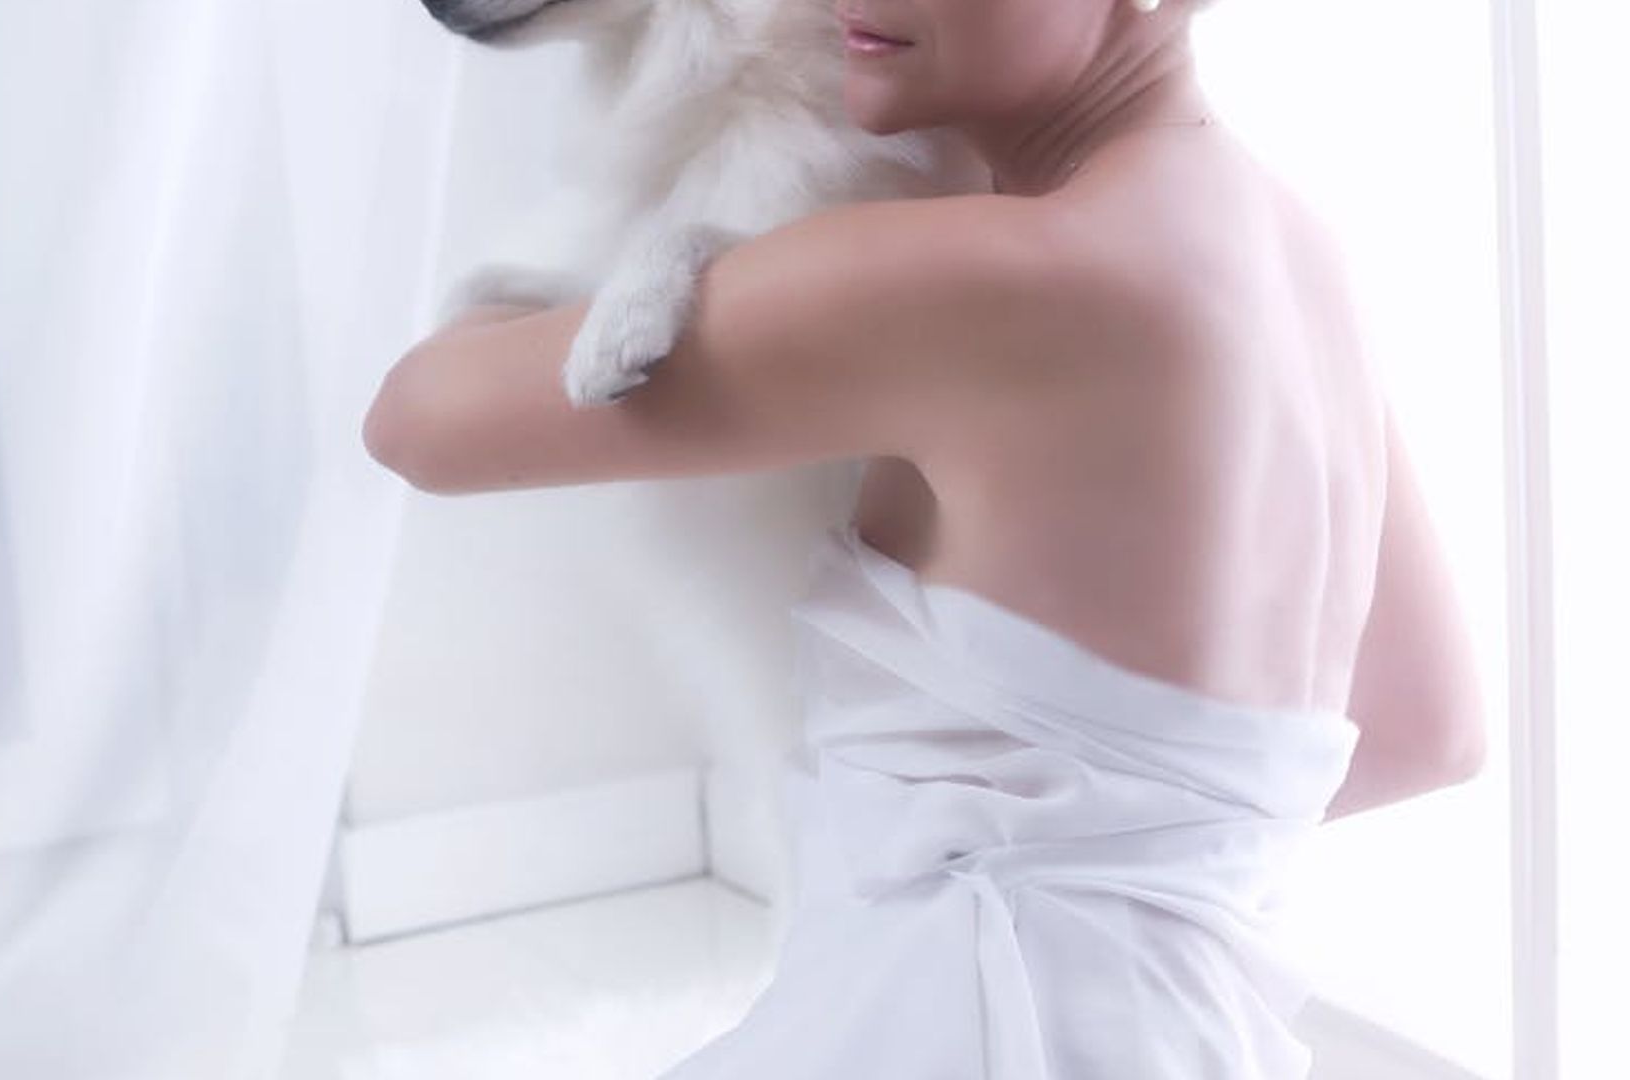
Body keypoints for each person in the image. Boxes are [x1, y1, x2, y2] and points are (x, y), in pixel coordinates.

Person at [363, 0, 1488, 1073]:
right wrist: (1112, 865)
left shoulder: (970, 277)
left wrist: (957, 873)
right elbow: (1429, 731)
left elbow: (417, 420)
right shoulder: (1296, 247)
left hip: (951, 1029)